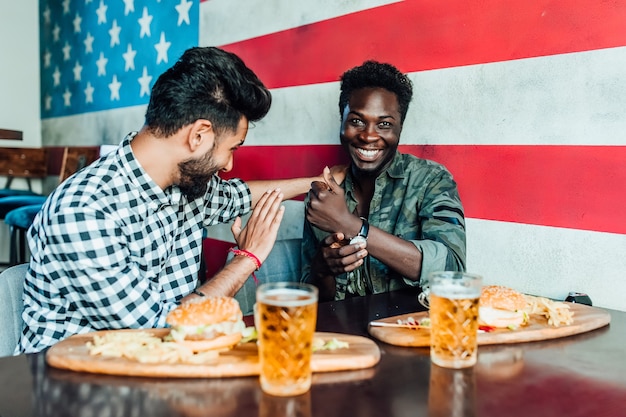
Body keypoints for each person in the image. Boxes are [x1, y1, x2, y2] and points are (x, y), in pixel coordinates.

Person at [18, 47, 336, 353]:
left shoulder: (182, 184)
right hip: (70, 393)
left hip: (155, 375)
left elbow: (239, 195)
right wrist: (247, 259)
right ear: (198, 135)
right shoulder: (83, 212)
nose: (229, 165)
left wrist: (314, 182)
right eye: (232, 149)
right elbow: (165, 327)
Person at [302, 61, 466, 301]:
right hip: (343, 335)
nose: (368, 136)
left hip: (412, 331)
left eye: (385, 124)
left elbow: (453, 270)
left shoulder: (431, 180)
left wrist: (351, 225)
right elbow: (311, 298)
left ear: (400, 129)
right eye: (356, 121)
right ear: (342, 122)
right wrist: (322, 269)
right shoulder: (322, 197)